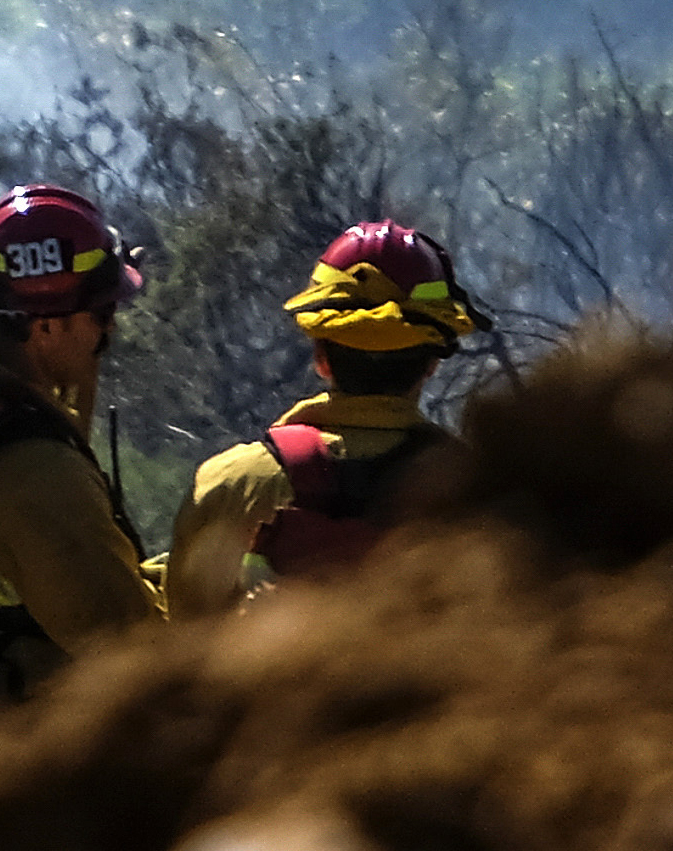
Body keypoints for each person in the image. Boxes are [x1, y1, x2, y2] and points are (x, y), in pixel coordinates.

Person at [162, 221, 489, 616]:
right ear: (432, 363)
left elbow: (181, 627)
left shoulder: (230, 485)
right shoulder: (478, 495)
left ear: (321, 358)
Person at [0, 184, 165, 694]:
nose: (110, 332)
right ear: (46, 329)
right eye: (104, 313)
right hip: (16, 725)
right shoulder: (38, 477)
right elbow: (140, 659)